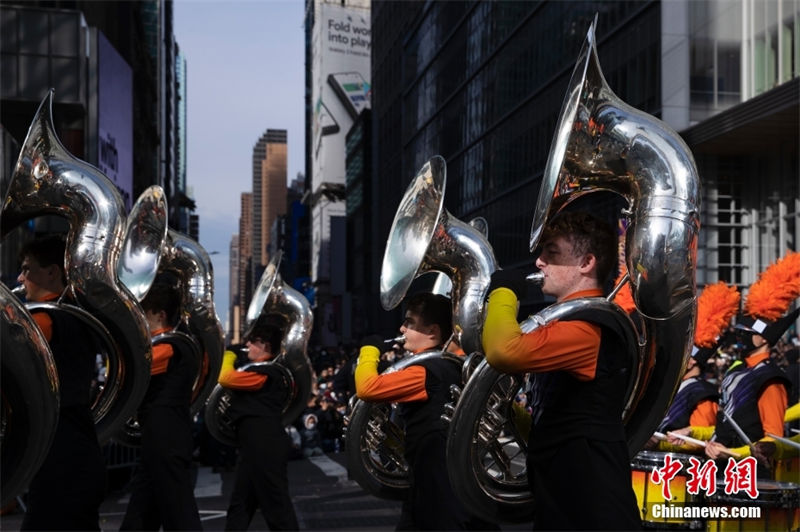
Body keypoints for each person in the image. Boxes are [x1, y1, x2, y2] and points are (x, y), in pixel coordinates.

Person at [481, 211, 641, 530]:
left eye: (551, 253)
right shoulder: (567, 322)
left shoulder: (587, 327)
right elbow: (563, 423)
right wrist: (512, 414)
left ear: (586, 262)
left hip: (593, 512)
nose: (539, 262)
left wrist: (503, 292)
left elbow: (502, 351)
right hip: (567, 505)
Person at [355, 292, 488, 530]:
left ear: (432, 332)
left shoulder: (426, 370)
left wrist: (368, 350)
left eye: (409, 323)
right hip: (435, 479)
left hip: (436, 485)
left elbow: (367, 388)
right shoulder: (443, 365)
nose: (402, 328)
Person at [17, 235, 106, 530]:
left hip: (58, 453)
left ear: (53, 272)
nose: (21, 277)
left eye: (28, 269)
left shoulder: (42, 320)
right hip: (80, 444)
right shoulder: (80, 315)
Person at [120, 278, 202, 530]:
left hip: (166, 437)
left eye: (142, 312)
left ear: (160, 314)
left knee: (179, 513)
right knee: (141, 513)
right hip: (159, 437)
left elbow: (133, 370)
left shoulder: (170, 346)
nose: (138, 319)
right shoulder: (170, 344)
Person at [218, 322, 299, 531]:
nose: (247, 345)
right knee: (240, 505)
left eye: (252, 342)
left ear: (264, 345)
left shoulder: (267, 373)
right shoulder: (262, 370)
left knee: (276, 506)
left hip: (264, 445)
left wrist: (228, 356)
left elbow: (226, 378)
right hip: (252, 446)